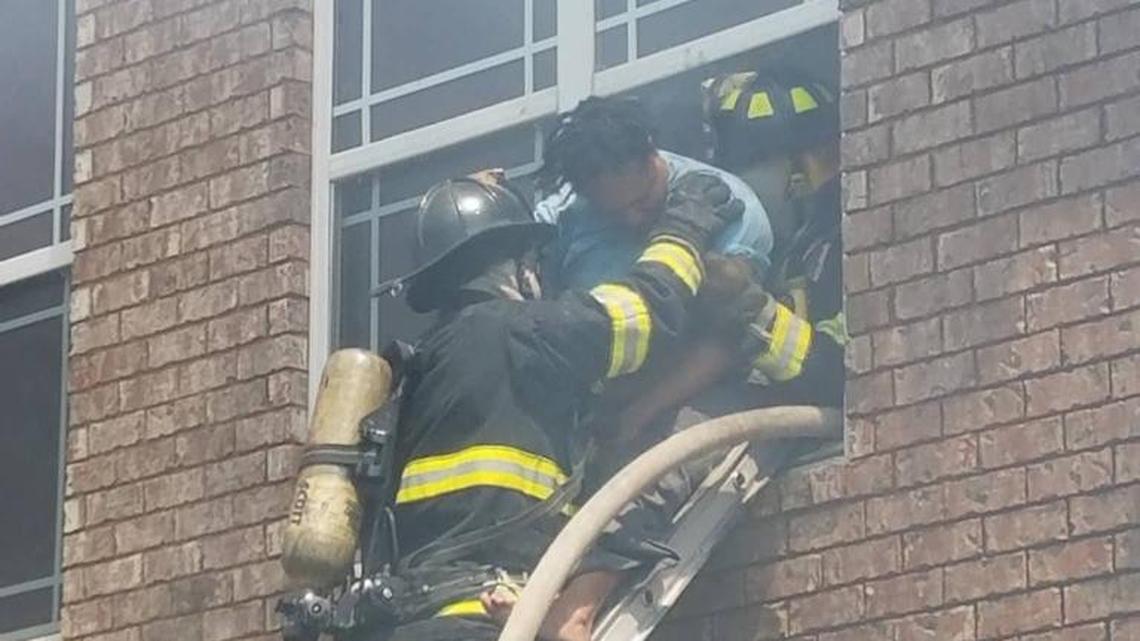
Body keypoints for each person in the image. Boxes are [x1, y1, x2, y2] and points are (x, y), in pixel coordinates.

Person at [352, 171, 743, 641]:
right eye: (535, 261)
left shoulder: (423, 371)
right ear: (517, 269)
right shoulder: (521, 332)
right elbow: (646, 314)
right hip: (487, 616)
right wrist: (685, 224)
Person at [534, 95, 775, 294]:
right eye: (612, 213)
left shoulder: (734, 209)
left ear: (651, 153)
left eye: (642, 202)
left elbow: (731, 320)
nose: (632, 220)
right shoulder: (565, 211)